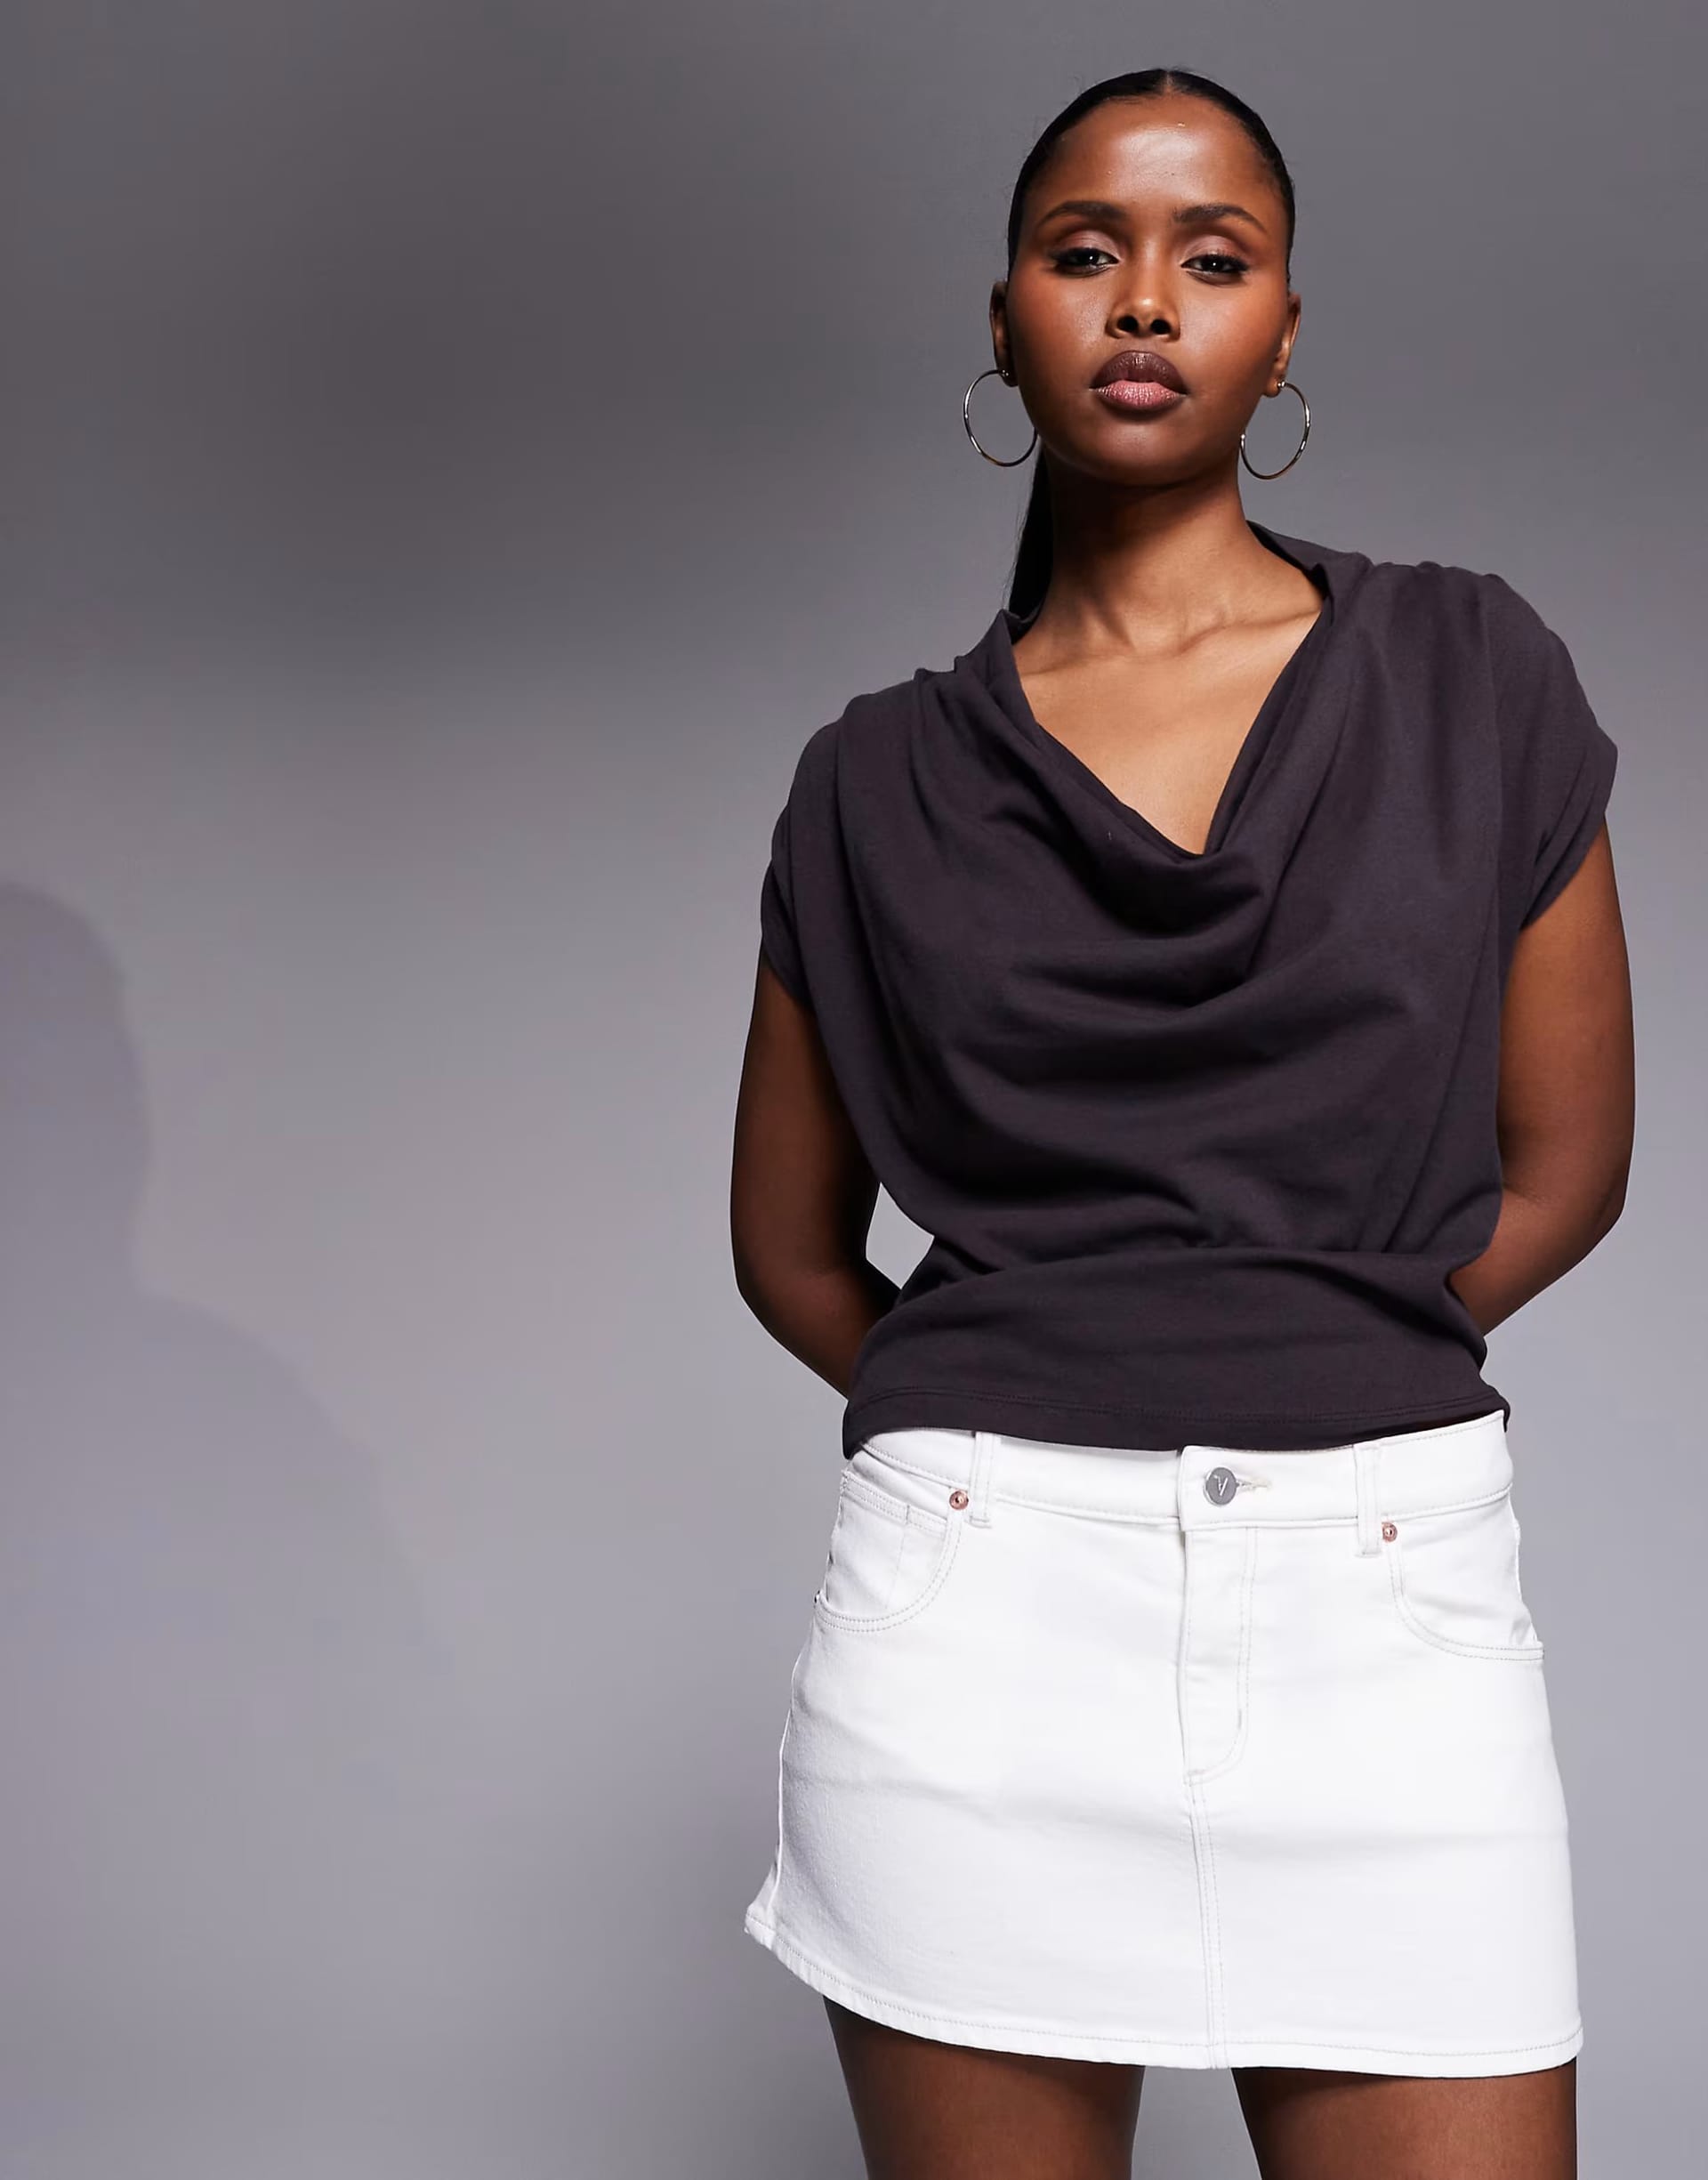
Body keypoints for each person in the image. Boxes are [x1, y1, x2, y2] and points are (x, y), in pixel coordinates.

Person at [729, 65, 1632, 2180]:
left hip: (1388, 1620)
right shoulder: (870, 780)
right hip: (978, 1638)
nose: (1145, 300)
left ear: (1283, 329)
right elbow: (784, 1245)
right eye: (1086, 252)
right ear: (1006, 319)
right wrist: (1043, 1387)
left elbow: (1569, 1165)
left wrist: (1317, 1344)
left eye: (1211, 260)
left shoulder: (1472, 672)